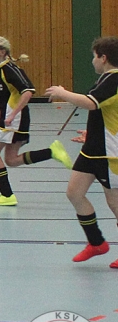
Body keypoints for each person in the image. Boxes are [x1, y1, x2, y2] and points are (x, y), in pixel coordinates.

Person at [45, 36, 118, 267]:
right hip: (92, 149)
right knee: (74, 193)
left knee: (115, 203)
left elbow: (90, 103)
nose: (92, 61)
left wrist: (62, 92)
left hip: (109, 153)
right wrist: (91, 133)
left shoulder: (114, 79)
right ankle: (96, 243)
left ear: (103, 58)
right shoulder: (105, 79)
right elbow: (103, 112)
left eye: (94, 56)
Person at [0, 36, 72, 206]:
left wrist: (12, 115)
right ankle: (51, 152)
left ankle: (7, 195)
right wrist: (0, 117)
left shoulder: (9, 69)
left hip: (14, 120)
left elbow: (28, 91)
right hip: (10, 119)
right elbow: (4, 100)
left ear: (2, 52)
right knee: (11, 159)